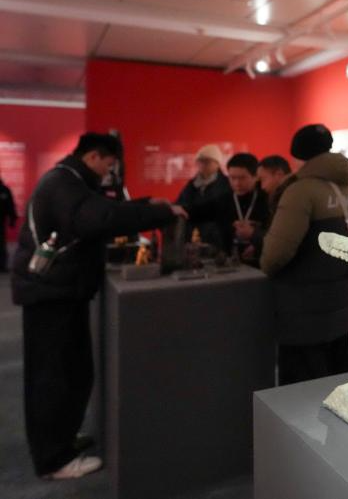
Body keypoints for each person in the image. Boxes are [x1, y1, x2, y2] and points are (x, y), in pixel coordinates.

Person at [11, 133, 185, 479]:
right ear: (93, 156)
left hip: (58, 291)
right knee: (54, 376)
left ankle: (60, 439)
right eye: (108, 163)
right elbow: (102, 218)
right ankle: (54, 459)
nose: (109, 171)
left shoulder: (68, 181)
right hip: (52, 295)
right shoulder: (65, 184)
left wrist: (148, 205)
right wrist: (159, 213)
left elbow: (105, 209)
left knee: (70, 371)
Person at [261, 124, 348, 385]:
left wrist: (264, 265)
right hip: (341, 299)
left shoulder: (300, 192)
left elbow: (276, 255)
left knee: (302, 387)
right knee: (337, 376)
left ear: (297, 154)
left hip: (301, 306)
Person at [187, 152, 270, 265]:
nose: (237, 183)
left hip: (263, 264)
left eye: (242, 178)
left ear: (255, 177)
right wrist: (174, 209)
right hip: (229, 263)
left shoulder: (267, 199)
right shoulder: (224, 199)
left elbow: (278, 236)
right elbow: (196, 212)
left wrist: (259, 243)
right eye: (232, 178)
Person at [176, 144, 231, 248]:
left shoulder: (226, 184)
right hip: (192, 237)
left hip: (217, 239)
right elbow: (181, 204)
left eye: (207, 161)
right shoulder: (192, 184)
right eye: (200, 161)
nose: (202, 164)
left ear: (217, 163)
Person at [0, 174, 16, 272]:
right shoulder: (4, 190)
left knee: (1, 244)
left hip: (1, 222)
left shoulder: (4, 190)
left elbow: (10, 206)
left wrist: (12, 219)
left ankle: (2, 265)